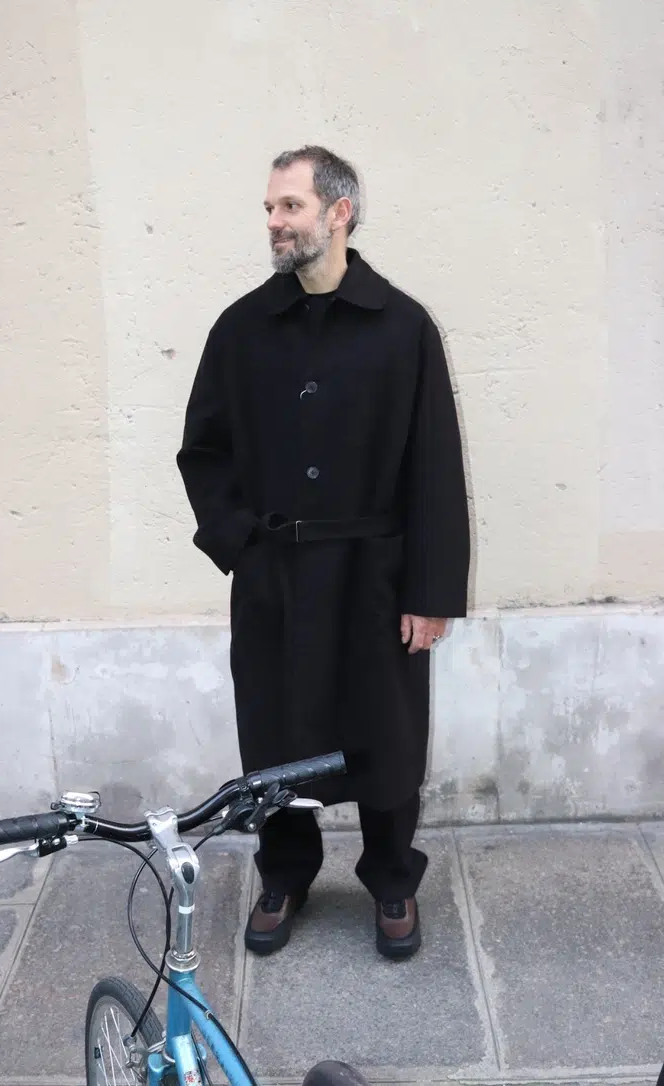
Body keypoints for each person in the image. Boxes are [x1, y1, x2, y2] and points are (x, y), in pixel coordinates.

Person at [177, 145, 470, 960]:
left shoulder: (403, 328)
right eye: (270, 208)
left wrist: (429, 594)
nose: (274, 221)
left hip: (374, 578)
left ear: (339, 212)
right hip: (274, 575)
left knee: (387, 736)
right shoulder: (241, 329)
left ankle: (392, 879)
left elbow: (434, 468)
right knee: (274, 734)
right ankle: (284, 874)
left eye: (290, 206)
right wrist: (241, 545)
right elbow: (204, 451)